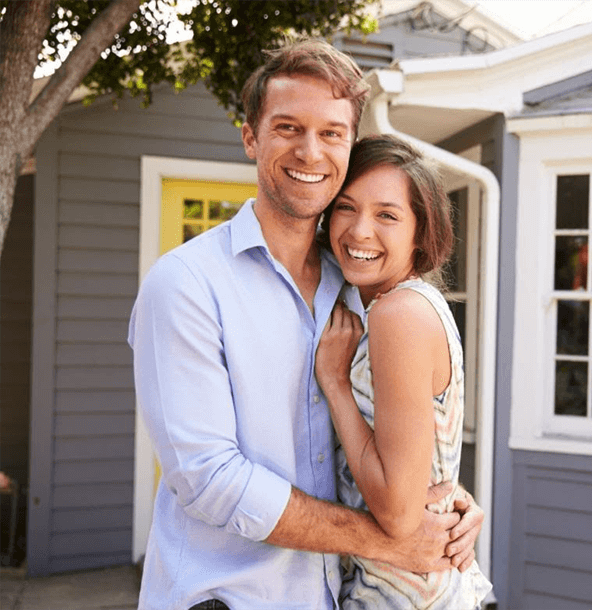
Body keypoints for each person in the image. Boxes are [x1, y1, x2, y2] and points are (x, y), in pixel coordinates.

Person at [128, 40, 483, 610]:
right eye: (288, 127)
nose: (310, 151)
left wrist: (445, 502)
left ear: (349, 147)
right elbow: (209, 480)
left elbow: (392, 437)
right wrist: (393, 537)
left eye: (331, 133)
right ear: (251, 137)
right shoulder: (187, 284)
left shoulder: (360, 283)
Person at [314, 135, 492, 609]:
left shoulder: (399, 315)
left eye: (387, 215)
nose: (359, 231)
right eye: (347, 207)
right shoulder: (402, 306)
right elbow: (421, 462)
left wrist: (335, 386)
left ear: (422, 231)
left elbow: (396, 511)